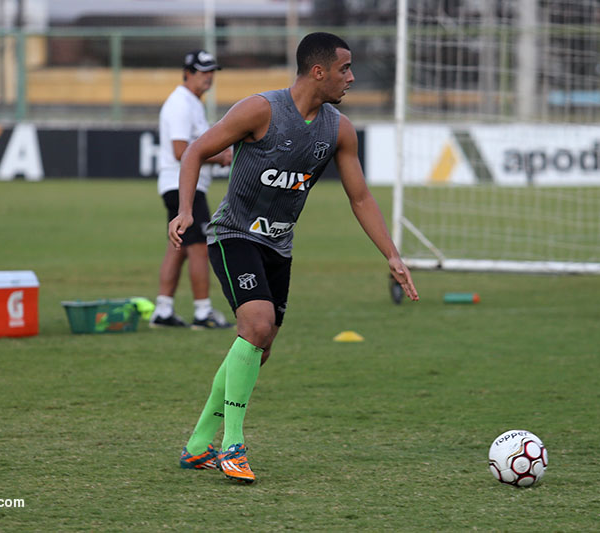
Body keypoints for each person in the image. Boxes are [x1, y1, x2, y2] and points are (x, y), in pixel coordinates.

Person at [169, 32, 419, 483]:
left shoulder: (339, 130)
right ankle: (232, 446)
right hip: (234, 235)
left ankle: (197, 444)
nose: (351, 77)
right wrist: (186, 209)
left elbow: (360, 197)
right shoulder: (260, 110)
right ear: (318, 72)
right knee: (257, 324)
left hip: (279, 247)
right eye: (345, 69)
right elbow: (195, 153)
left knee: (259, 346)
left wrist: (392, 255)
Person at [150, 49, 234, 329]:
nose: (208, 77)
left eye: (211, 72)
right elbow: (180, 151)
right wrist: (219, 157)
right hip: (183, 185)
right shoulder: (181, 103)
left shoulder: (192, 103)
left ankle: (163, 310)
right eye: (202, 72)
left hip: (177, 184)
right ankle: (202, 312)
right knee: (199, 247)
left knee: (178, 247)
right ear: (187, 73)